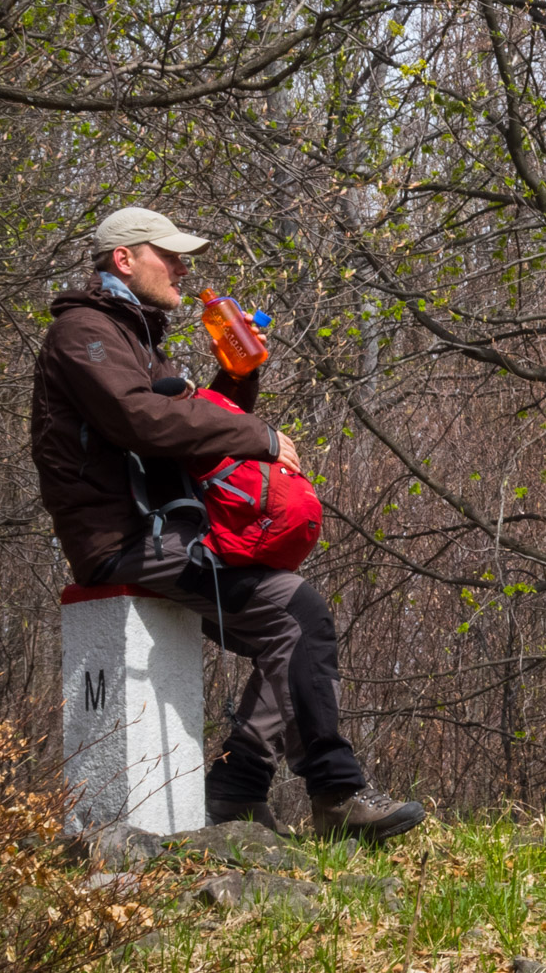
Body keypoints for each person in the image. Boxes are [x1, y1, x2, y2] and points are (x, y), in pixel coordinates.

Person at [32, 206, 426, 843]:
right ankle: (332, 794)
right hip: (123, 540)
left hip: (165, 531)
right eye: (170, 254)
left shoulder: (136, 336)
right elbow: (140, 424)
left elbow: (188, 432)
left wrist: (238, 378)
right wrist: (261, 436)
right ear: (123, 258)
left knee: (299, 622)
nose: (183, 266)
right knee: (293, 616)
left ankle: (239, 784)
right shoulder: (85, 333)